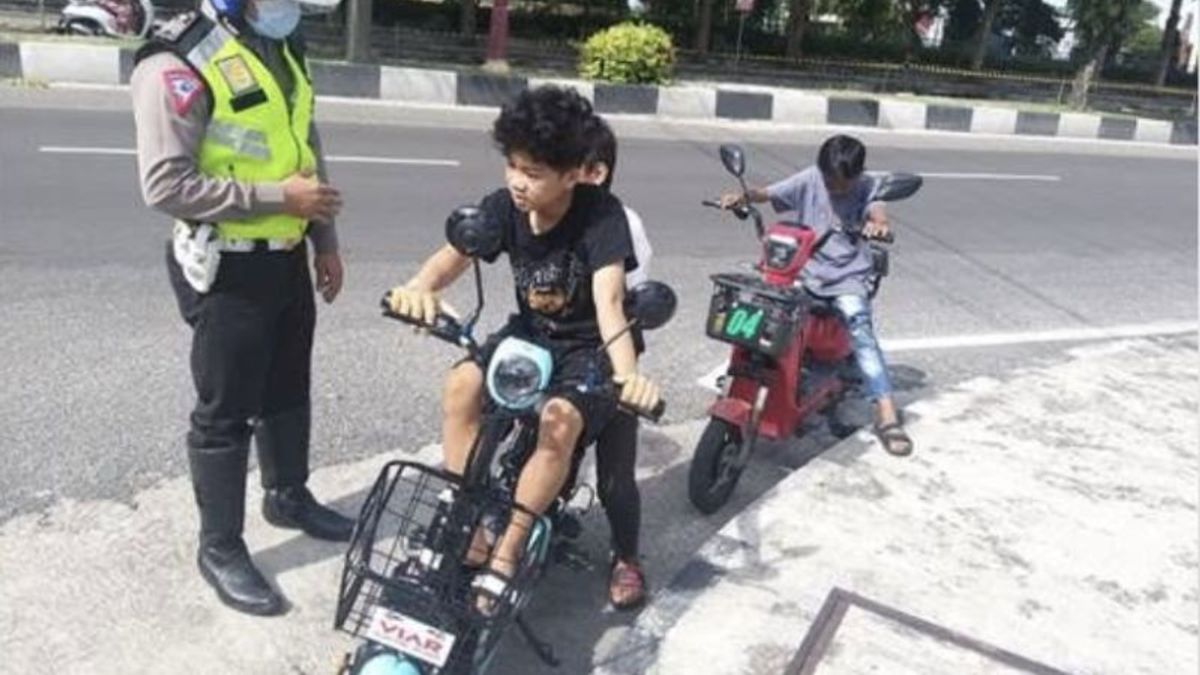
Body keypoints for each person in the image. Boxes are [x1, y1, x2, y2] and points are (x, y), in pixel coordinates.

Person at [386, 85, 662, 614]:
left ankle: (508, 552)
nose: (516, 181)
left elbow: (609, 301)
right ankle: (468, 522)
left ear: (574, 173)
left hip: (587, 349)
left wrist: (627, 377)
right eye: (511, 165)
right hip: (530, 335)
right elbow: (453, 254)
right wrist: (419, 287)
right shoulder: (503, 207)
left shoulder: (603, 216)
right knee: (461, 381)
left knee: (562, 424)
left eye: (532, 173)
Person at [131, 0, 354, 617]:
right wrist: (279, 196)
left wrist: (324, 240)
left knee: (287, 388)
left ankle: (287, 495)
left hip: (286, 256)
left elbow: (303, 140)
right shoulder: (179, 57)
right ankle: (220, 547)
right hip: (226, 264)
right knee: (225, 411)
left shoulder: (281, 43)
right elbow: (165, 185)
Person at [720, 134, 914, 457]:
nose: (835, 188)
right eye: (829, 180)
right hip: (803, 270)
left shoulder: (869, 187)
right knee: (763, 309)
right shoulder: (812, 178)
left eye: (842, 183)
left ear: (857, 174)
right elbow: (769, 193)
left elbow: (878, 213)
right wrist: (742, 198)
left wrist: (878, 225)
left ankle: (886, 412)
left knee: (860, 330)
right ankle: (750, 383)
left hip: (847, 276)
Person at [580, 114, 650, 609]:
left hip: (609, 358)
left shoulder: (623, 226)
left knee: (614, 478)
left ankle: (627, 555)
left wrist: (625, 377)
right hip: (551, 356)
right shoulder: (542, 212)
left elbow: (619, 307)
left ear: (594, 172)